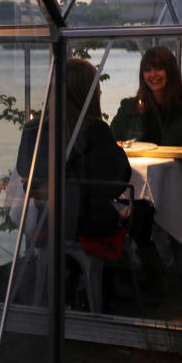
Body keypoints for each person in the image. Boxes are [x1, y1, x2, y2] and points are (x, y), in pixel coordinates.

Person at [17, 57, 132, 259]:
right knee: (143, 210)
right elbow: (117, 183)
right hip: (88, 225)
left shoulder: (32, 130)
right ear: (88, 93)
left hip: (47, 223)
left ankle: (71, 277)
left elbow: (23, 170)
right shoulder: (94, 130)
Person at [109, 45, 182, 148]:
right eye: (147, 70)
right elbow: (110, 143)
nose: (153, 74)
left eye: (158, 68)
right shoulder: (128, 108)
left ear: (171, 72)